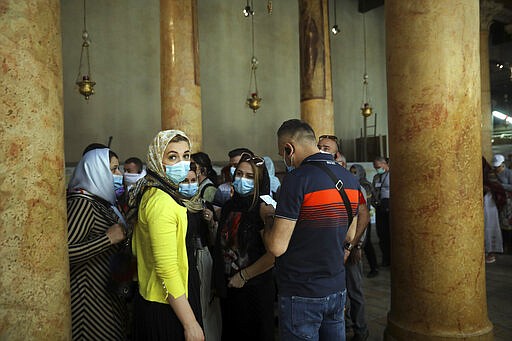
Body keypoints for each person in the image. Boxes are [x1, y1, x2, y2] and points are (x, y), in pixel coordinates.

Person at [262, 119, 361, 341]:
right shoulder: (349, 179)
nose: (285, 159)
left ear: (289, 148)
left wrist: (268, 218)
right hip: (336, 287)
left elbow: (277, 247)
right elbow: (350, 235)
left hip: (301, 291)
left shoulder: (297, 179)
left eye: (283, 153)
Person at [130, 130, 204, 341]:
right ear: (157, 160)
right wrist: (190, 323)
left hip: (163, 296)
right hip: (167, 302)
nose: (182, 162)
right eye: (172, 156)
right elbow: (166, 267)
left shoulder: (155, 191)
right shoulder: (161, 201)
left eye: (186, 155)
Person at [67, 148, 128, 340]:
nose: (119, 175)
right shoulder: (82, 202)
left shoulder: (102, 202)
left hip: (106, 293)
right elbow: (66, 253)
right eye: (113, 169)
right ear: (96, 171)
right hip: (89, 299)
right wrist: (107, 239)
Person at [214, 152, 275, 341]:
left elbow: (273, 255)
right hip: (230, 289)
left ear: (260, 181)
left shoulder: (264, 209)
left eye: (250, 177)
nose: (242, 180)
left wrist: (244, 276)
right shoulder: (229, 206)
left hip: (254, 290)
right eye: (239, 174)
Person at [180, 165, 222, 341]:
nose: (190, 185)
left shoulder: (203, 205)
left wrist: (211, 221)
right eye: (185, 181)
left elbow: (213, 241)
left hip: (202, 260)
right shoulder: (174, 206)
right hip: (183, 263)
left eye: (193, 181)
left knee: (206, 307)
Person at [350, 164, 379, 278]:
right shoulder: (351, 184)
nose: (352, 175)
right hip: (355, 219)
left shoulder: (365, 185)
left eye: (355, 172)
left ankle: (374, 267)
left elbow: (369, 202)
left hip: (363, 218)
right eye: (351, 172)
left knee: (366, 244)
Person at [482, 158, 504, 263]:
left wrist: (485, 188)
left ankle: (491, 252)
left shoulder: (488, 172)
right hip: (483, 201)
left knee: (490, 224)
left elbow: (495, 186)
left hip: (489, 201)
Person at [372, 156, 391, 267]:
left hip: (388, 205)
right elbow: (374, 190)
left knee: (389, 233)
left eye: (378, 167)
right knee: (381, 233)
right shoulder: (376, 177)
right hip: (379, 206)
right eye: (375, 167)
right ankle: (385, 258)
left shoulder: (391, 175)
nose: (377, 169)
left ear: (384, 164)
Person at [492, 154, 512, 251]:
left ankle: (508, 244)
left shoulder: (509, 173)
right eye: (495, 167)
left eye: (498, 167)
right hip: (498, 200)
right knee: (501, 222)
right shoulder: (494, 173)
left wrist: (500, 186)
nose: (496, 169)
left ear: (503, 164)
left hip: (508, 201)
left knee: (508, 222)